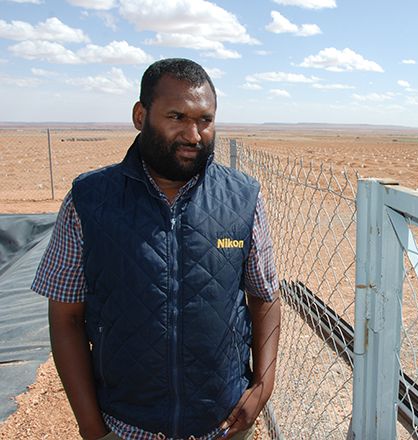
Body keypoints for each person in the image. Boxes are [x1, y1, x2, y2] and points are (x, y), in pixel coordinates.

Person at [32, 58, 281, 440]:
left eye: (205, 120)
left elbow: (264, 297)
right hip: (127, 426)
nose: (193, 135)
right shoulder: (89, 201)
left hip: (223, 426)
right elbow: (65, 318)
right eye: (177, 117)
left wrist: (263, 386)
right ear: (140, 115)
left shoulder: (243, 198)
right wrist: (93, 429)